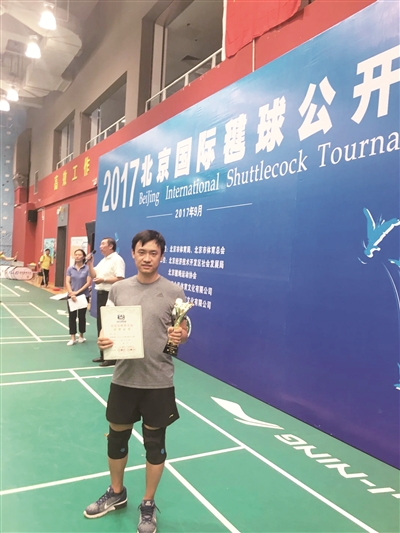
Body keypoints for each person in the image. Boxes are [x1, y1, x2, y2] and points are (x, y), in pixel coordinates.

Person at [83, 230, 188, 533]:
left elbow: (181, 332)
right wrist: (104, 341)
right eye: (142, 252)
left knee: (155, 445)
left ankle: (148, 503)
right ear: (133, 253)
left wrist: (181, 336)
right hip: (124, 379)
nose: (147, 258)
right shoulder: (119, 290)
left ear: (161, 256)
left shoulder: (174, 292)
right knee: (117, 439)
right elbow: (109, 330)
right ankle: (117, 493)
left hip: (158, 381)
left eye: (153, 253)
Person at [87, 237, 125, 367]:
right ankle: (103, 355)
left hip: (111, 295)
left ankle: (112, 357)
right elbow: (94, 275)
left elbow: (120, 278)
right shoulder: (103, 260)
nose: (100, 246)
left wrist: (103, 280)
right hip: (101, 294)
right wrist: (90, 264)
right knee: (101, 325)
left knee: (110, 325)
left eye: (103, 244)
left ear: (111, 246)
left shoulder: (117, 260)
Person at [65, 249, 92, 346]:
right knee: (72, 317)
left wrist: (77, 292)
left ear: (83, 256)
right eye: (76, 254)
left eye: (79, 255)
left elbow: (88, 283)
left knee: (81, 316)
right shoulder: (70, 268)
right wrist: (71, 293)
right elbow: (67, 281)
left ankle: (81, 335)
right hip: (71, 296)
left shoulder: (87, 269)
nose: (77, 256)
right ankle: (72, 338)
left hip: (83, 296)